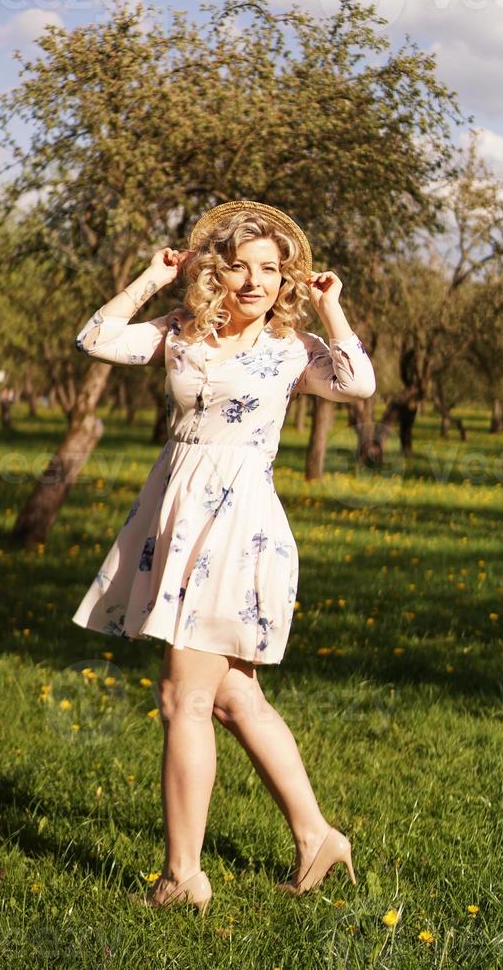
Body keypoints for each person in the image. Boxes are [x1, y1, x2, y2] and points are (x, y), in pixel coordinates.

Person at [71, 201, 376, 915]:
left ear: (286, 279)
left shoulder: (293, 350)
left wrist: (333, 311)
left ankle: (183, 879)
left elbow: (358, 383)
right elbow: (94, 338)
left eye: (270, 269)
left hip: (238, 530)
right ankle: (317, 837)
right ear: (216, 269)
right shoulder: (179, 334)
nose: (254, 281)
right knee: (235, 696)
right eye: (239, 265)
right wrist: (150, 278)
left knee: (186, 697)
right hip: (176, 518)